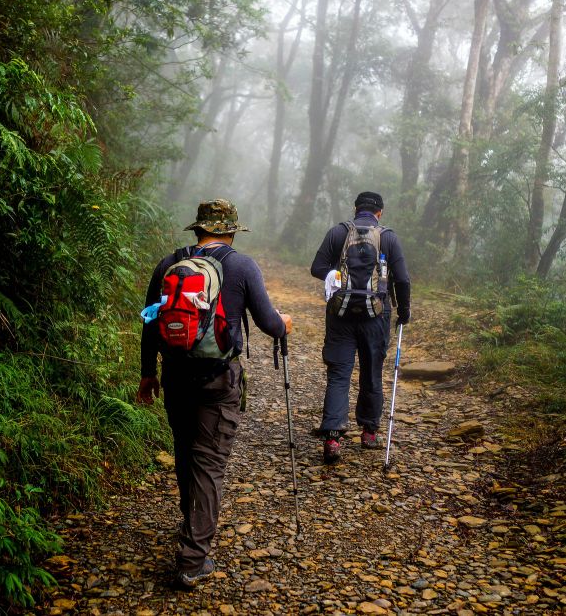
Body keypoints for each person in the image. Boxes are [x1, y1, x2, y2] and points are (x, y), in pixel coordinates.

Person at [137, 198, 292, 590]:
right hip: (218, 379)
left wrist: (147, 375)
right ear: (230, 230)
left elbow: (150, 323)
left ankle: (192, 524)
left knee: (187, 454)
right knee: (210, 464)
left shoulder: (168, 263)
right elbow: (270, 324)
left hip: (174, 376)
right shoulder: (241, 266)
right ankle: (192, 559)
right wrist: (285, 323)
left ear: (199, 228)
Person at [310, 191, 411, 464]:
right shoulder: (388, 237)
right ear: (380, 212)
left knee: (339, 374)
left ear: (356, 209)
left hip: (340, 315)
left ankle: (332, 436)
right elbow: (402, 279)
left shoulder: (338, 233)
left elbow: (317, 267)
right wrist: (404, 311)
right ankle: (369, 432)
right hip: (376, 317)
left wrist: (336, 277)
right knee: (372, 371)